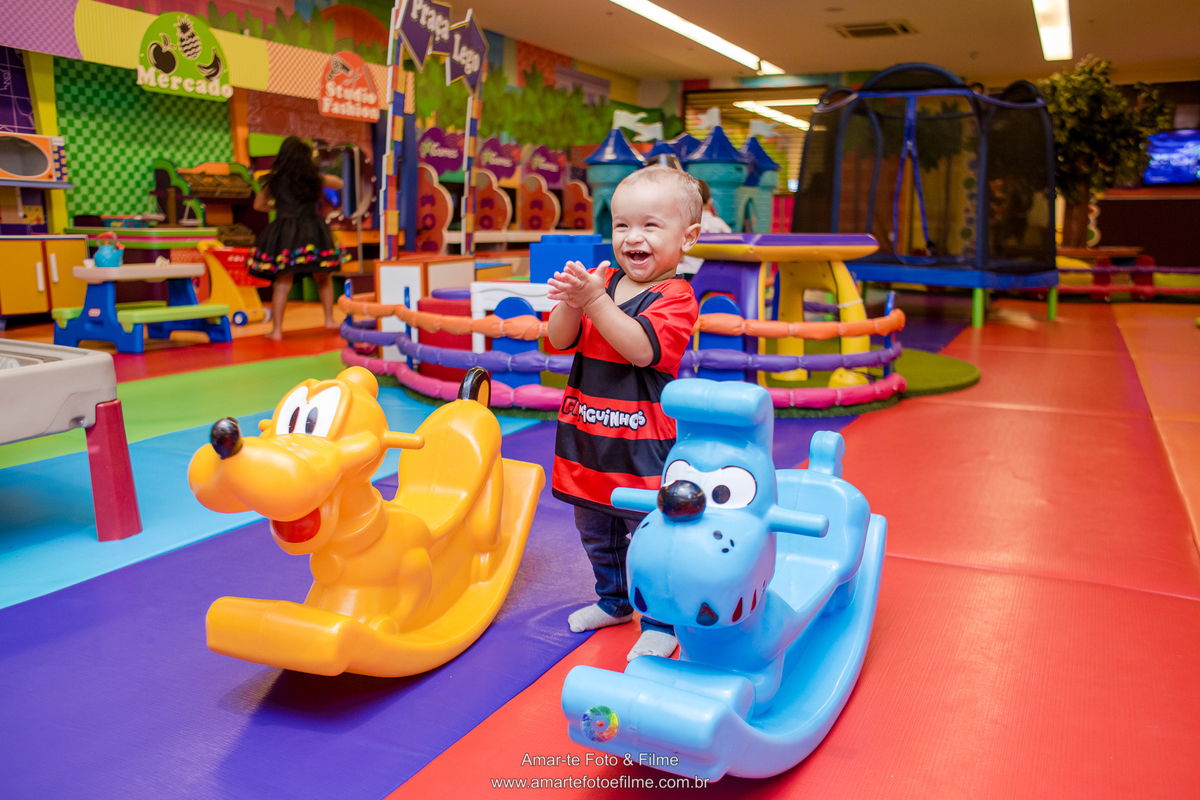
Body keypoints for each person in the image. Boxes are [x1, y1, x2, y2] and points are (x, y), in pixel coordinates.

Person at [547, 165, 702, 661]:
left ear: (688, 238)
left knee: (651, 538)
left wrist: (594, 301)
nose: (633, 237)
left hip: (641, 449)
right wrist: (574, 302)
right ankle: (612, 602)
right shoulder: (604, 280)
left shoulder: (676, 298)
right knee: (596, 531)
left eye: (650, 226)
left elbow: (640, 349)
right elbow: (558, 339)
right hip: (588, 438)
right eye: (621, 226)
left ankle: (660, 620)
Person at [247, 136, 346, 341]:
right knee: (323, 277)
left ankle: (276, 331)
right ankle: (329, 319)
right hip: (311, 230)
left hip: (286, 231)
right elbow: (339, 183)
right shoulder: (312, 177)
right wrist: (316, 176)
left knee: (283, 282)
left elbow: (258, 205)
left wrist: (279, 207)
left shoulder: (274, 178)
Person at [678, 178, 732, 280]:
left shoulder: (684, 223)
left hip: (688, 272)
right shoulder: (718, 223)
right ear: (710, 201)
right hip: (713, 273)